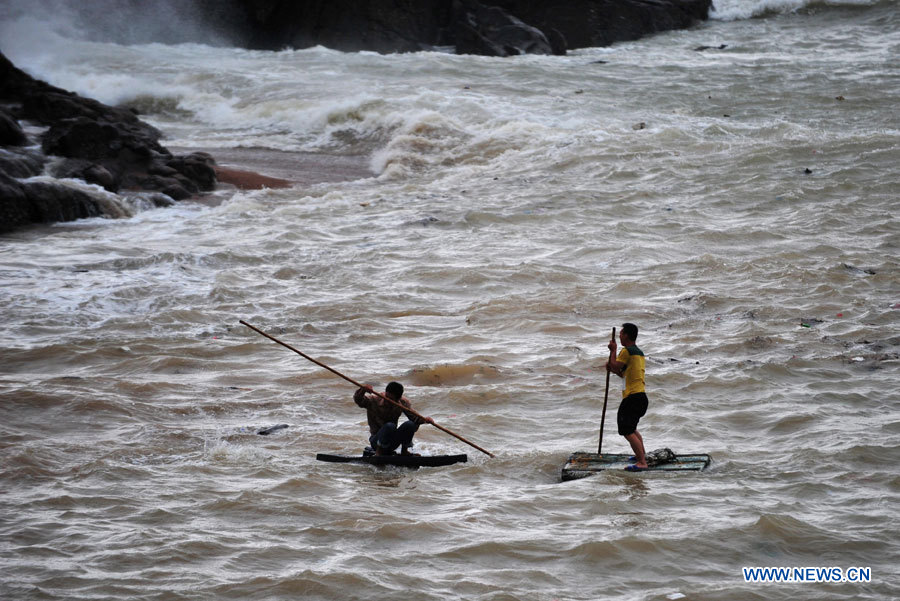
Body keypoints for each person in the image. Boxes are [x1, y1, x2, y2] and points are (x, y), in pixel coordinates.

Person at [606, 323, 649, 471]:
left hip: (633, 397)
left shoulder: (627, 351)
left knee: (626, 429)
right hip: (641, 397)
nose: (619, 336)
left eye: (621, 334)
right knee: (631, 428)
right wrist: (613, 369)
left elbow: (615, 364)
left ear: (627, 335)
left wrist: (613, 350)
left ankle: (642, 462)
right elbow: (623, 373)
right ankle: (641, 455)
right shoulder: (638, 352)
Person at [354, 381, 434, 456]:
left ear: (398, 398)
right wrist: (363, 390)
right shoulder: (374, 399)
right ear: (386, 393)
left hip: (392, 442)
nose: (389, 401)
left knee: (410, 424)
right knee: (389, 426)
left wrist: (425, 420)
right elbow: (359, 400)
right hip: (376, 441)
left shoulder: (402, 402)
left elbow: (414, 417)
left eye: (392, 400)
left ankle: (404, 451)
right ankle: (379, 453)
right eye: (387, 398)